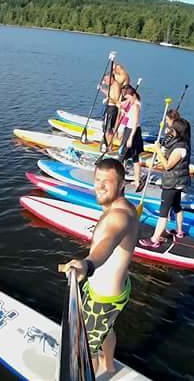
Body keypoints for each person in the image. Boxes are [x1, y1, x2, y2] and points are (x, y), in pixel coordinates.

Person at [60, 158, 138, 375]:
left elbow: (107, 244)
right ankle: (110, 365)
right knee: (107, 328)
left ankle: (95, 371)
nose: (100, 185)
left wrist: (87, 265)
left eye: (108, 181)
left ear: (122, 184)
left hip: (102, 298)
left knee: (86, 350)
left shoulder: (119, 216)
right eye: (97, 179)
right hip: (116, 290)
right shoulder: (124, 206)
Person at [139, 118, 192, 247]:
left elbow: (168, 166)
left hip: (172, 183)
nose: (170, 130)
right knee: (177, 206)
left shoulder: (180, 149)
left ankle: (154, 239)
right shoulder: (183, 142)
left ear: (177, 131)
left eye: (172, 129)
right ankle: (179, 231)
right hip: (178, 181)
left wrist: (157, 150)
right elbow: (168, 144)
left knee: (164, 211)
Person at [115, 85, 144, 191]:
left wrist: (130, 137)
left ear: (133, 95)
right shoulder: (132, 104)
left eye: (127, 97)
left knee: (123, 156)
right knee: (131, 158)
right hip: (129, 129)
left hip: (133, 132)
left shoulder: (136, 106)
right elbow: (124, 109)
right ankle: (134, 180)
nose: (126, 99)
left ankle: (128, 180)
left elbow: (135, 122)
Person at [98, 73, 122, 151]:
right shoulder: (113, 85)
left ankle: (109, 146)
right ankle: (108, 145)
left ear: (111, 78)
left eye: (106, 79)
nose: (105, 81)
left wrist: (106, 97)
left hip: (112, 109)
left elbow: (115, 100)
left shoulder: (116, 86)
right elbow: (110, 94)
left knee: (108, 129)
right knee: (107, 128)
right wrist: (102, 88)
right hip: (109, 108)